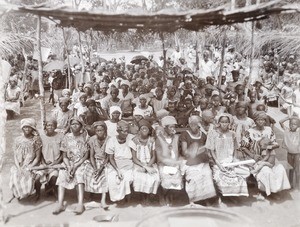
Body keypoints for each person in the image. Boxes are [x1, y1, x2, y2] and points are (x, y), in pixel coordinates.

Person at [240, 112, 291, 197]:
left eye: (263, 120)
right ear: (255, 121)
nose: (261, 122)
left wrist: (269, 147)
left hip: (269, 156)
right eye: (259, 120)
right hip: (255, 158)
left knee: (280, 169)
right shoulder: (249, 132)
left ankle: (276, 190)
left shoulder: (269, 130)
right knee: (266, 171)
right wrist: (253, 155)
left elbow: (274, 143)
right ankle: (268, 191)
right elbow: (243, 147)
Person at [205, 113, 250, 199]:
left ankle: (233, 195)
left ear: (229, 123)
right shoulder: (212, 133)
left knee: (242, 174)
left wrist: (234, 160)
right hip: (217, 162)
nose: (224, 124)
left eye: (226, 122)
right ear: (219, 122)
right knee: (221, 176)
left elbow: (235, 149)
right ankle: (224, 196)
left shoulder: (232, 134)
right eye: (222, 122)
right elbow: (211, 151)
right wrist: (218, 164)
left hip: (230, 162)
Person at [53, 117, 89, 215]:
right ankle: (60, 203)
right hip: (68, 163)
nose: (75, 126)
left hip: (81, 162)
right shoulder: (66, 137)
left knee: (79, 174)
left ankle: (80, 203)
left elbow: (86, 155)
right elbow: (64, 156)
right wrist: (69, 166)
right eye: (73, 124)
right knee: (62, 173)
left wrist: (76, 165)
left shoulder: (85, 137)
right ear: (70, 125)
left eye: (77, 124)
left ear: (81, 126)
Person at [180, 116, 217, 204]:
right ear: (189, 124)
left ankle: (207, 199)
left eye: (195, 124)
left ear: (199, 125)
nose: (193, 126)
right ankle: (195, 200)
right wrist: (197, 150)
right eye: (191, 124)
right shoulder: (184, 134)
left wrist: (203, 151)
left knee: (207, 174)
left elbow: (207, 149)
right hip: (190, 162)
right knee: (193, 176)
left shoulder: (203, 135)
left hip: (202, 161)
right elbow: (185, 152)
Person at [9, 118, 43, 200]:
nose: (27, 129)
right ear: (22, 128)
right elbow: (15, 156)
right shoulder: (18, 140)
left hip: (32, 164)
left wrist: (29, 167)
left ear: (32, 128)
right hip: (20, 164)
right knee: (15, 174)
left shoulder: (36, 140)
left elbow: (38, 158)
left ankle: (35, 193)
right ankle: (17, 193)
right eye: (25, 127)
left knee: (29, 176)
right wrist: (18, 167)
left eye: (29, 127)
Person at [155, 116, 185, 205]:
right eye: (171, 127)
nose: (173, 129)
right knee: (166, 180)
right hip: (164, 164)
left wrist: (178, 162)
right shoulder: (159, 139)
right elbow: (159, 157)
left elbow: (179, 153)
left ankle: (170, 196)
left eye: (174, 127)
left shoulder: (176, 138)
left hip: (175, 163)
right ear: (165, 128)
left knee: (177, 180)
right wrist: (171, 163)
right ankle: (163, 195)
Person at [129, 119, 160, 203]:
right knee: (139, 177)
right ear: (139, 130)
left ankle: (150, 197)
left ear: (149, 130)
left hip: (150, 163)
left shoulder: (152, 140)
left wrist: (148, 166)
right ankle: (142, 197)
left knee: (155, 177)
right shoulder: (134, 141)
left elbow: (154, 157)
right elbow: (134, 158)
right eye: (142, 128)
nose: (144, 130)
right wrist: (144, 166)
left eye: (146, 129)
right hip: (138, 164)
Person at [105, 120, 134, 203]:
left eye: (127, 131)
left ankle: (125, 197)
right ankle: (117, 198)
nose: (126, 133)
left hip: (128, 163)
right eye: (124, 131)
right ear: (118, 131)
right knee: (112, 178)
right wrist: (118, 170)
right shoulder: (112, 140)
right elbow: (111, 158)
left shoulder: (131, 138)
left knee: (127, 178)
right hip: (115, 164)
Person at [84, 121, 109, 209]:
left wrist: (100, 168)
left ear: (105, 130)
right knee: (88, 171)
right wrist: (95, 168)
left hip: (106, 162)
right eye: (97, 131)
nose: (99, 132)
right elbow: (91, 156)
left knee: (105, 174)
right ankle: (90, 194)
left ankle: (103, 199)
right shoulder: (92, 139)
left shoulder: (109, 139)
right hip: (94, 161)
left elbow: (108, 157)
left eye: (101, 130)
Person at [40, 118, 63, 197]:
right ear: (45, 126)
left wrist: (56, 162)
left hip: (56, 162)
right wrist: (43, 162)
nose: (50, 127)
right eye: (48, 125)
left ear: (55, 126)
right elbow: (39, 152)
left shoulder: (60, 136)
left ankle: (52, 189)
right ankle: (41, 192)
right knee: (38, 178)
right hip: (44, 162)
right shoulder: (41, 137)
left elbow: (63, 152)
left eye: (52, 125)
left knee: (54, 178)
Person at [279, 116, 300, 189]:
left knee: (297, 169)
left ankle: (298, 185)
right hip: (289, 153)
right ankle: (290, 184)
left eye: (294, 124)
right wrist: (288, 118)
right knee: (290, 169)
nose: (292, 125)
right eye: (290, 124)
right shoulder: (287, 131)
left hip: (297, 154)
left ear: (298, 126)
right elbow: (280, 122)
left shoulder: (298, 132)